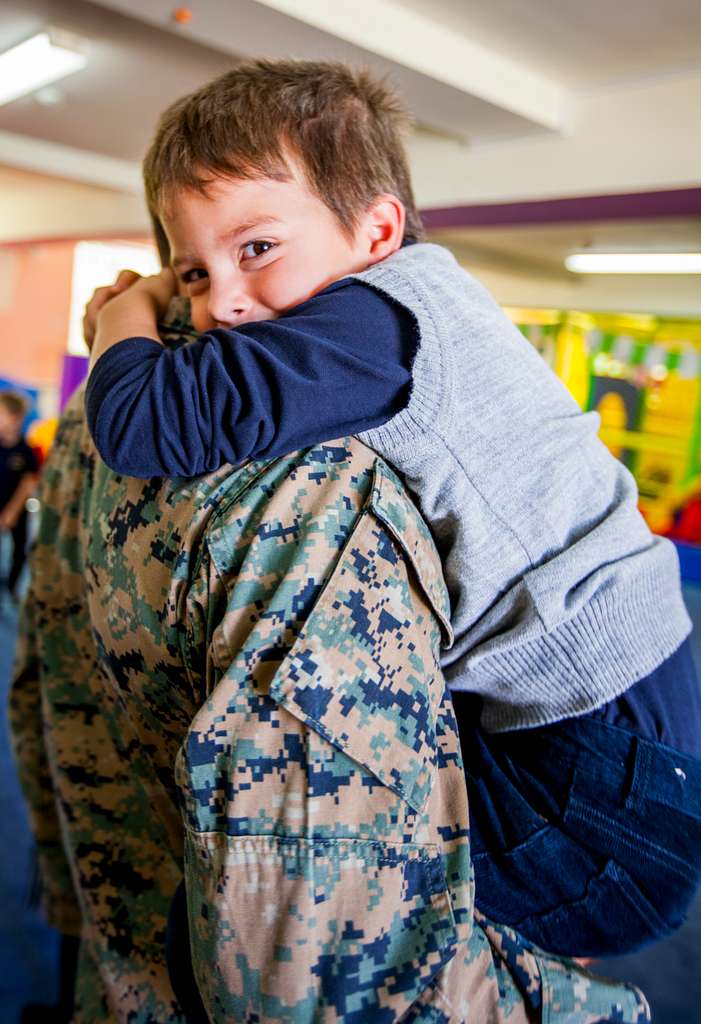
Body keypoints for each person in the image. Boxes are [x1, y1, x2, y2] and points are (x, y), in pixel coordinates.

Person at [82, 59, 701, 958]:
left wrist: (126, 311)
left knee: (259, 920)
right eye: (191, 273)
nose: (222, 303)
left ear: (376, 231)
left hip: (601, 793)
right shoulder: (402, 308)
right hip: (602, 734)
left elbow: (143, 420)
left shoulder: (380, 318)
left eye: (255, 249)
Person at [10, 299, 649, 1022]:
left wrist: (77, 895)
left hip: (114, 950)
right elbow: (326, 973)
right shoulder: (316, 479)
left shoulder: (94, 410)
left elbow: (44, 677)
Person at [0, 390, 38, 599]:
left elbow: (28, 482)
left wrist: (12, 512)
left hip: (16, 510)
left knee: (18, 549)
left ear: (15, 419)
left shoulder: (25, 451)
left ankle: (12, 587)